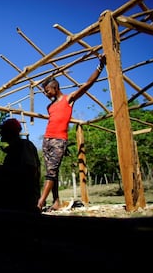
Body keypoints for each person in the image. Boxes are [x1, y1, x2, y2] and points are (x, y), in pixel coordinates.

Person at [37, 54, 106, 212]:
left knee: (51, 172)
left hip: (59, 141)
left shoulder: (69, 99)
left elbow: (87, 85)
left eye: (47, 91)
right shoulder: (50, 107)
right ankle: (56, 202)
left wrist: (100, 66)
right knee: (51, 172)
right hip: (46, 140)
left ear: (55, 88)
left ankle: (39, 203)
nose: (46, 94)